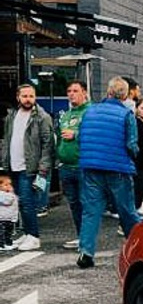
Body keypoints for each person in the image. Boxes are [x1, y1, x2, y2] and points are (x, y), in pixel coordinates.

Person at [76, 76, 141, 268]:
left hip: (91, 167)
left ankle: (86, 252)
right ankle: (138, 249)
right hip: (118, 168)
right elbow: (131, 145)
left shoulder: (90, 111)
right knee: (127, 211)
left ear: (108, 91)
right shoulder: (127, 115)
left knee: (91, 211)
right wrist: (136, 157)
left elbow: (81, 138)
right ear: (125, 95)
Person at [2, 82, 55, 251]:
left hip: (30, 167)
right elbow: (7, 140)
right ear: (18, 97)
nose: (28, 99)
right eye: (24, 96)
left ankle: (33, 236)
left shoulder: (42, 117)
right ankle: (26, 234)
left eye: (31, 96)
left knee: (27, 202)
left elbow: (48, 145)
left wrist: (43, 168)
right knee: (20, 202)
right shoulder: (12, 115)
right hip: (14, 166)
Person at [55, 80, 89, 248]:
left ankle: (87, 239)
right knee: (74, 204)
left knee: (85, 204)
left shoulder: (90, 111)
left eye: (75, 90)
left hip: (83, 166)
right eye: (69, 91)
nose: (71, 94)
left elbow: (94, 135)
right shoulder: (67, 115)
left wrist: (76, 134)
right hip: (66, 167)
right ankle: (81, 236)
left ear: (84, 93)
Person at [0, 175, 19, 250]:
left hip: (8, 217)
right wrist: (12, 193)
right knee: (3, 232)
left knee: (8, 232)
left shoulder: (6, 193)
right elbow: (8, 201)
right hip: (3, 218)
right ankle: (2, 244)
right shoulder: (2, 194)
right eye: (6, 185)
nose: (9, 186)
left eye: (10, 184)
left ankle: (8, 243)